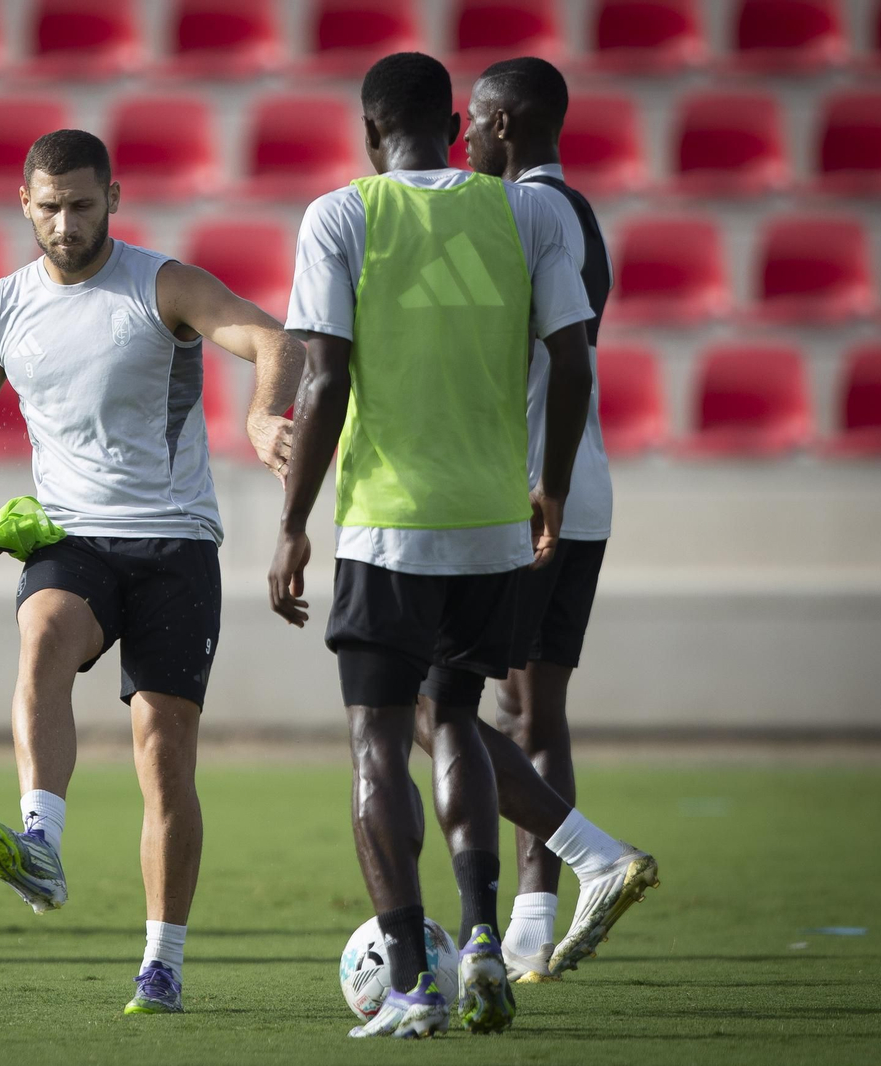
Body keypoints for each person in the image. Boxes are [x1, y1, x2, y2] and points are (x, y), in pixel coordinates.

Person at [0, 130, 304, 1015]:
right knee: (41, 640)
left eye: (84, 205)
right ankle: (41, 840)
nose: (67, 224)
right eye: (51, 207)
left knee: (164, 759)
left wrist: (261, 422)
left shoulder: (161, 284)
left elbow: (270, 339)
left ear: (114, 198)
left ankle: (162, 961)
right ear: (24, 202)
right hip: (73, 538)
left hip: (176, 543)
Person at [269, 52, 595, 1039]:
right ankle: (485, 938)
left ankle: (412, 984)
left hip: (385, 525)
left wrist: (291, 520)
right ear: (457, 125)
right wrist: (550, 484)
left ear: (371, 133)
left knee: (377, 746)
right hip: (493, 521)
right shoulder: (531, 212)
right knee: (455, 721)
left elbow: (322, 380)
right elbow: (573, 360)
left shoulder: (341, 214)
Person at [429, 56, 659, 983]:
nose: (463, 141)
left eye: (474, 126)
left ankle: (581, 858)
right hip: (580, 486)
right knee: (532, 703)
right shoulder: (580, 214)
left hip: (527, 492)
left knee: (427, 698)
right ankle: (534, 919)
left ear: (506, 126)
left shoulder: (521, 213)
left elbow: (430, 316)